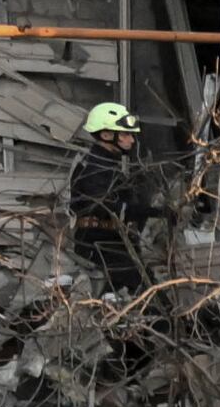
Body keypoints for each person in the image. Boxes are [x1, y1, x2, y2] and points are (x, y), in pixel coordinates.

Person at [62, 101, 153, 287]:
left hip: (113, 243)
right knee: (143, 290)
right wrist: (151, 211)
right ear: (106, 134)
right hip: (97, 245)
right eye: (126, 134)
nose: (132, 140)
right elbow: (106, 206)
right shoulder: (93, 168)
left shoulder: (108, 165)